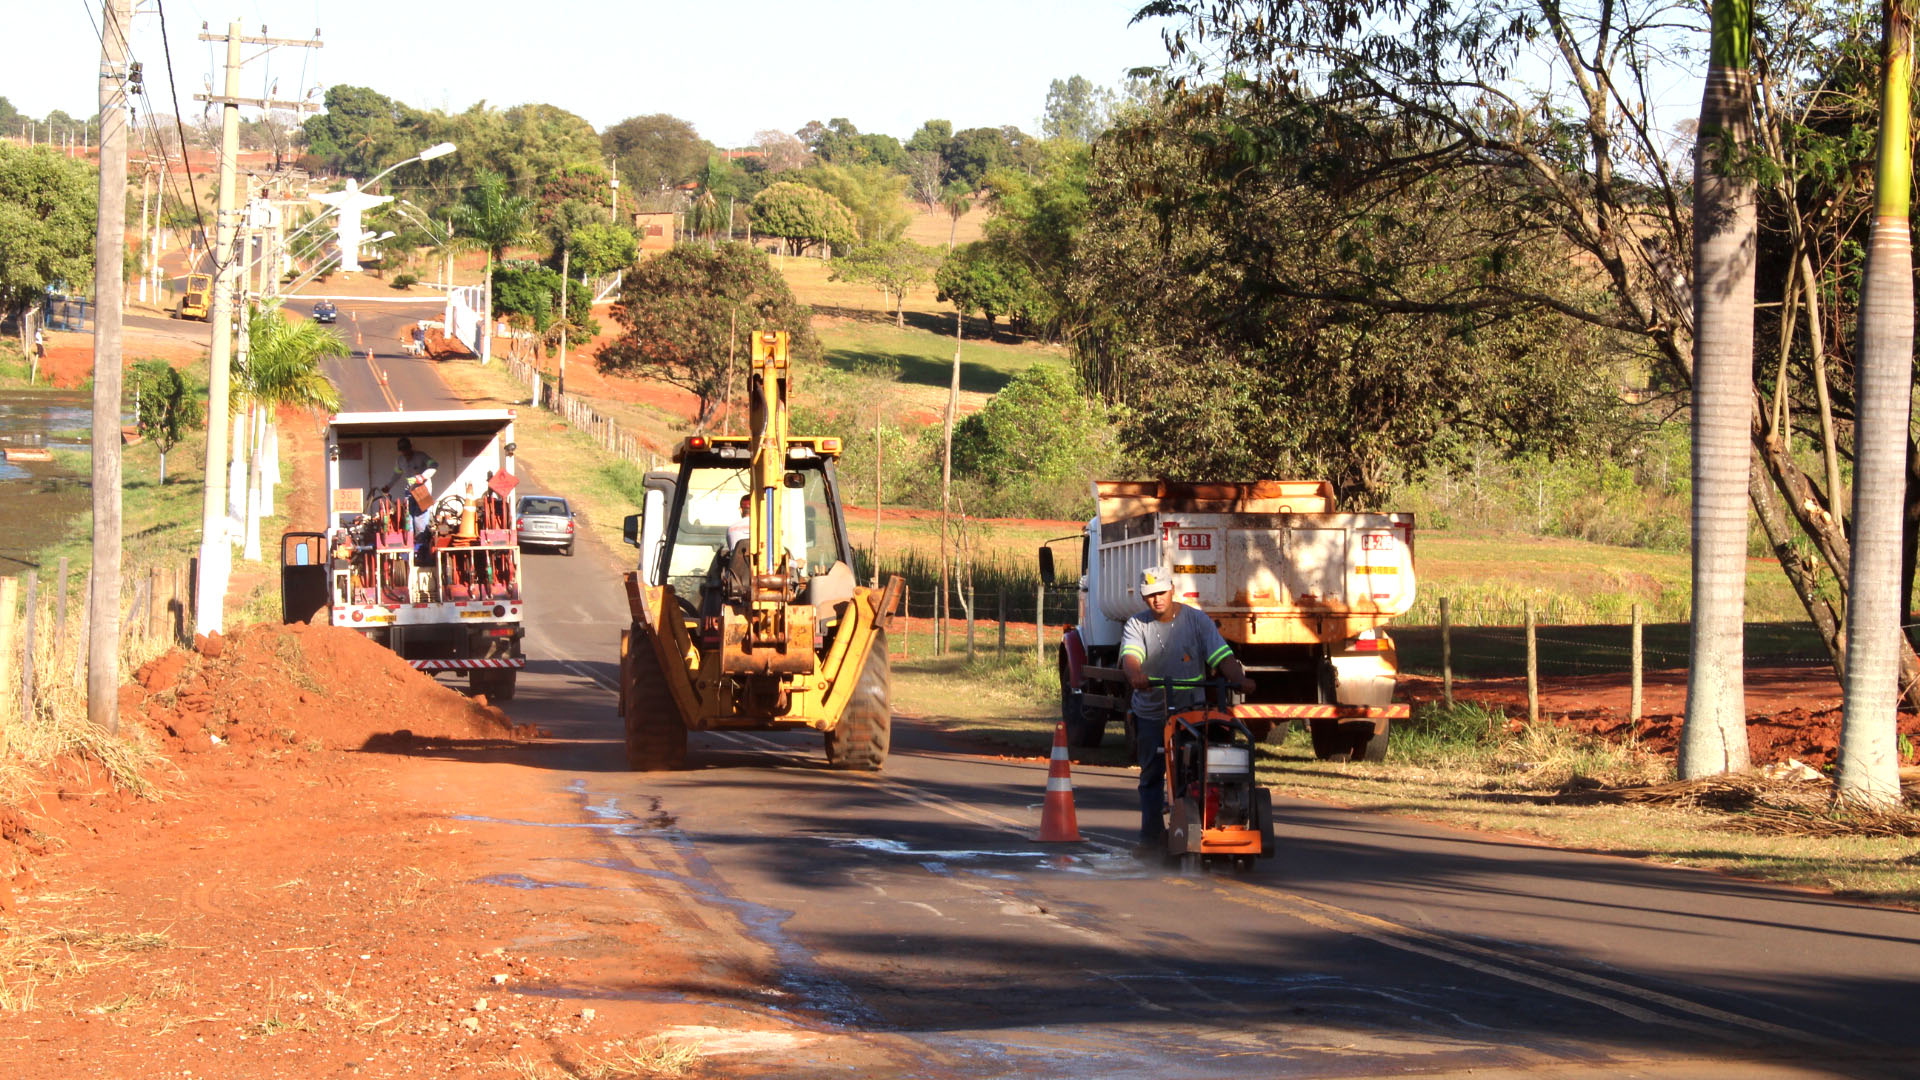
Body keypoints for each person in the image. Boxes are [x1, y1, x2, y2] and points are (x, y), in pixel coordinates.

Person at [1120, 564, 1255, 856]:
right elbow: (1131, 657)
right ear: (1144, 598)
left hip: (1192, 712)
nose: (1157, 599)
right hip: (1152, 712)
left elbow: (1222, 656)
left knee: (1203, 768)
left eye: (1161, 592)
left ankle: (1211, 826)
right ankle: (1150, 837)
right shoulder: (1136, 625)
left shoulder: (1197, 621)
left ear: (1172, 590)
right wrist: (1136, 675)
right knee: (1152, 773)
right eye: (1150, 595)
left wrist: (1239, 679)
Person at [381, 437, 439, 561]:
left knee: (420, 517)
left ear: (410, 447)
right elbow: (396, 474)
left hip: (422, 489)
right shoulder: (400, 460)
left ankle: (422, 546)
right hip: (409, 491)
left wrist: (423, 477)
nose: (405, 452)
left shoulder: (421, 456)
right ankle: (410, 544)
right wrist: (388, 486)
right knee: (409, 517)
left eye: (406, 449)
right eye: (402, 450)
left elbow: (434, 465)